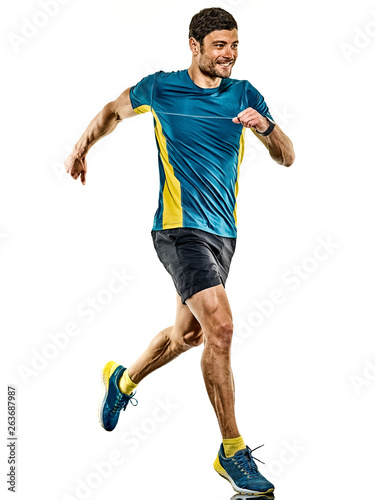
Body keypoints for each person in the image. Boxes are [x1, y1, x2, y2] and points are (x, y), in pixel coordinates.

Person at [65, 7, 295, 496]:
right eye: (219, 46)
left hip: (224, 235)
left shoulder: (245, 94)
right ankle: (232, 453)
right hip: (177, 229)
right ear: (194, 46)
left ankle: (122, 382)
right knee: (224, 327)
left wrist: (265, 127)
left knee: (189, 335)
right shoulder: (161, 87)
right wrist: (81, 149)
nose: (228, 55)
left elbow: (287, 156)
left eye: (234, 45)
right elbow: (111, 111)